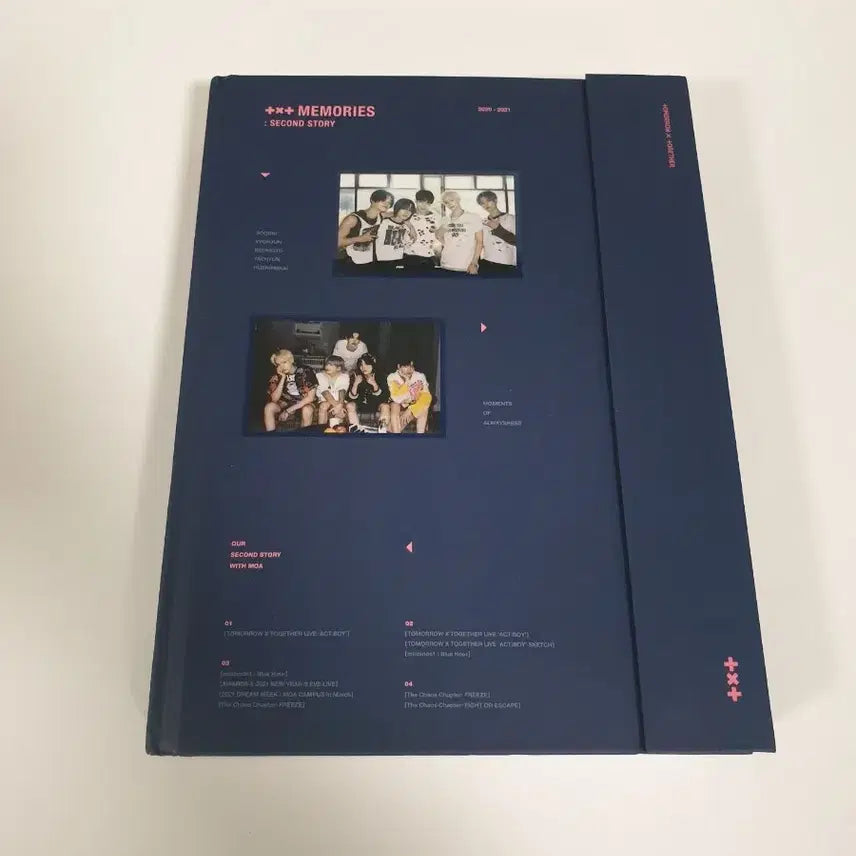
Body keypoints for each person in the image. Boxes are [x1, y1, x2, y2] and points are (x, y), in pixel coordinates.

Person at [336, 189, 394, 272]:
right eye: (383, 200)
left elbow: (400, 213)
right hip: (352, 262)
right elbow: (338, 242)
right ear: (372, 200)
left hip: (371, 261)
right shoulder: (352, 219)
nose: (387, 204)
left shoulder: (381, 215)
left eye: (389, 202)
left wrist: (410, 226)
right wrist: (360, 239)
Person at [263, 349, 317, 431]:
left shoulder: (306, 371)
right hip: (286, 403)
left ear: (291, 360)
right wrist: (283, 378)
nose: (282, 367)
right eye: (278, 364)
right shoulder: (277, 376)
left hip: (304, 402)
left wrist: (288, 411)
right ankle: (270, 436)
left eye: (284, 362)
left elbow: (310, 398)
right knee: (269, 407)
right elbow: (274, 399)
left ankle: (304, 436)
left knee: (307, 410)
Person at [435, 190, 484, 274]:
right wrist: (450, 244)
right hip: (446, 264)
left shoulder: (473, 217)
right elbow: (438, 236)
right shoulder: (445, 219)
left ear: (458, 199)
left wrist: (474, 262)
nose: (449, 204)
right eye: (446, 202)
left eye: (451, 200)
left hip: (466, 266)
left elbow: (479, 242)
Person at [346, 354, 391, 432]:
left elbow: (385, 397)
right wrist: (355, 384)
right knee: (349, 405)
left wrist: (374, 385)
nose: (363, 367)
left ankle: (382, 431)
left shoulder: (380, 376)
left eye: (366, 364)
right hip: (360, 404)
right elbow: (350, 398)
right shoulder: (356, 376)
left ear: (372, 365)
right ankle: (355, 431)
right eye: (361, 365)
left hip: (376, 404)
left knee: (385, 406)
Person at [387, 358, 432, 433]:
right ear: (398, 366)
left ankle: (420, 436)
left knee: (424, 408)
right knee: (394, 405)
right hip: (398, 406)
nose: (409, 369)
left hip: (413, 405)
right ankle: (395, 432)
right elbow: (396, 399)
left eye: (411, 366)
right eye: (406, 366)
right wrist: (406, 382)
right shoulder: (392, 377)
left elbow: (427, 397)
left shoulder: (420, 376)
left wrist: (410, 410)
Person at [477, 190, 517, 274]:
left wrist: (498, 228)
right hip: (487, 263)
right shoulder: (483, 223)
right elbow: (480, 244)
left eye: (488, 201)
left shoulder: (511, 219)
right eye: (482, 203)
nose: (486, 205)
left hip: (506, 264)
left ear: (495, 200)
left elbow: (517, 241)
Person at [374, 199, 417, 272]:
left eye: (410, 210)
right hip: (381, 261)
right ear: (397, 208)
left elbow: (408, 244)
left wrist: (411, 228)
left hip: (399, 261)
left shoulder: (408, 227)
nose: (406, 212)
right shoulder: (383, 221)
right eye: (404, 209)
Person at [403, 189, 440, 273]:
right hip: (410, 255)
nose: (424, 205)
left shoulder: (435, 217)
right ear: (416, 201)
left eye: (427, 203)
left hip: (429, 256)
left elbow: (438, 236)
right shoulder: (407, 215)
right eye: (421, 202)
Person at [315, 355, 350, 429]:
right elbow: (325, 392)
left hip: (340, 401)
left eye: (330, 365)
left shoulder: (344, 376)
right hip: (324, 400)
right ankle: (320, 430)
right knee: (324, 405)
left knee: (346, 410)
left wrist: (340, 405)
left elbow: (342, 390)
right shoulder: (319, 375)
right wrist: (338, 407)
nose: (327, 367)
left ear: (338, 368)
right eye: (326, 364)